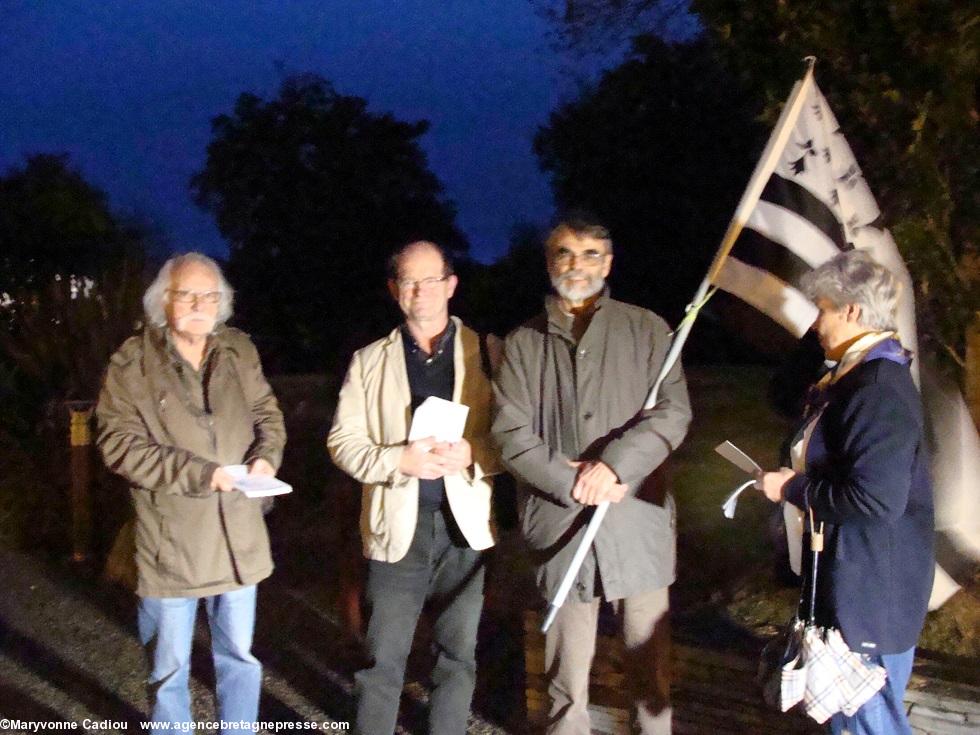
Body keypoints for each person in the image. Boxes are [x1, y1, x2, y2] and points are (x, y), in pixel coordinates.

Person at [492, 216, 692, 735]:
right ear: (548, 261)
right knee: (564, 681)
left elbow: (672, 413)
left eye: (589, 255)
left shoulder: (647, 328)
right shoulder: (522, 342)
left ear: (608, 263)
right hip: (559, 524)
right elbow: (510, 432)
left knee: (650, 673)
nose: (576, 265)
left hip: (635, 518)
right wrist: (569, 480)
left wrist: (614, 465)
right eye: (564, 253)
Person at [95, 253, 286, 731]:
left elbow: (268, 415)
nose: (200, 304)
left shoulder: (239, 350)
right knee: (169, 670)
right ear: (164, 300)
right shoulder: (132, 363)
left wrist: (268, 457)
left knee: (240, 659)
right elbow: (118, 445)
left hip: (239, 536)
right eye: (187, 294)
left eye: (210, 295)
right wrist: (204, 473)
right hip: (170, 545)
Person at [756, 250, 934, 735]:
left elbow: (876, 502)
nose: (816, 324)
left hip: (871, 595)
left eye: (823, 309)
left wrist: (792, 487)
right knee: (854, 724)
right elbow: (783, 393)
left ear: (851, 312)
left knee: (869, 726)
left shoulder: (878, 387)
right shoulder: (849, 377)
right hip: (853, 583)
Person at [327, 240, 498, 735]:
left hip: (465, 529)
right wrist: (395, 460)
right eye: (408, 281)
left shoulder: (487, 353)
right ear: (393, 289)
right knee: (381, 659)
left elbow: (514, 439)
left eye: (430, 280)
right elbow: (342, 440)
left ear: (451, 285)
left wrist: (474, 454)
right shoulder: (368, 361)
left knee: (457, 657)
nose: (419, 291)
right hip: (395, 530)